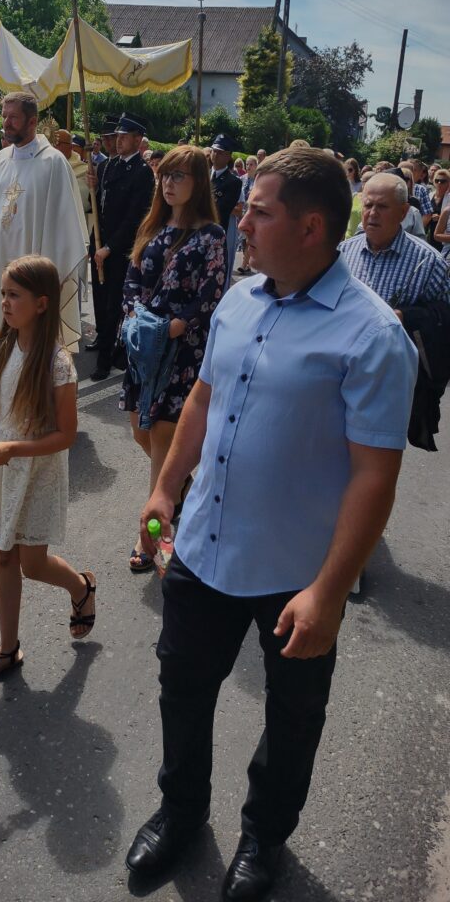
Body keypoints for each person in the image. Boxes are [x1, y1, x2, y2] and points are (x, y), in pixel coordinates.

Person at [125, 149, 418, 900]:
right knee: (182, 691)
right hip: (202, 549)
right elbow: (200, 400)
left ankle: (264, 838)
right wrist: (166, 490)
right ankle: (181, 811)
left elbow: (374, 476)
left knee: (291, 719)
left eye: (259, 210)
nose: (241, 222)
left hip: (296, 575)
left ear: (311, 227)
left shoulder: (373, 337)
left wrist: (330, 590)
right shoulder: (239, 299)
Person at [0, 255, 95, 687]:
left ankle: (80, 587)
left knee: (31, 564)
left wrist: (14, 448)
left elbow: (66, 435)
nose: (5, 303)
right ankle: (8, 647)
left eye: (14, 295)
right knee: (2, 554)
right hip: (0, 466)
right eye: (2, 294)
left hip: (37, 471)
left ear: (41, 303)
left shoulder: (57, 363)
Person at [119, 146, 226, 573]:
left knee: (162, 442)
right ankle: (183, 488)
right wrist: (130, 314)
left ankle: (151, 541)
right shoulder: (155, 227)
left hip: (182, 353)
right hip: (144, 350)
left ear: (198, 182)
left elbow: (212, 291)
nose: (168, 183)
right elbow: (131, 275)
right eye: (164, 175)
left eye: (178, 176)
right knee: (141, 434)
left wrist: (180, 324)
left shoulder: (211, 235)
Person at [0, 92, 87, 354]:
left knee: (31, 353)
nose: (6, 123)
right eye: (4, 117)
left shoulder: (54, 163)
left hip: (33, 271)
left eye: (13, 118)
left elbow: (62, 231)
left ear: (32, 122)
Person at [88, 112, 156, 381]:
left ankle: (105, 359)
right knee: (99, 299)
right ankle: (103, 341)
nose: (118, 141)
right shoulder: (107, 167)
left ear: (138, 140)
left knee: (114, 304)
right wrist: (91, 188)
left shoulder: (142, 173)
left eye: (125, 137)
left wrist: (110, 247)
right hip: (100, 243)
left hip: (121, 249)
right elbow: (98, 207)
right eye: (117, 136)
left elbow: (133, 218)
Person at [339, 174, 450, 305]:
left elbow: (444, 314)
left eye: (382, 206)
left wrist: (407, 316)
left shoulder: (429, 262)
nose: (373, 213)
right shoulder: (342, 252)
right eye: (368, 205)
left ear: (403, 212)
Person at [209, 134, 244, 283]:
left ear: (228, 156)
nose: (215, 155)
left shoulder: (233, 182)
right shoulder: (202, 175)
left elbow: (221, 209)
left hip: (215, 233)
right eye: (214, 150)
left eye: (220, 152)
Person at [236, 156, 258, 274]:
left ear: (256, 166)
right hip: (241, 213)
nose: (248, 167)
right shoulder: (241, 179)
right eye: (247, 164)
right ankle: (248, 263)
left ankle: (244, 264)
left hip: (252, 214)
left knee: (248, 238)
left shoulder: (259, 180)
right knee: (243, 241)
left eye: (251, 164)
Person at [428, 169, 450, 252]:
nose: (439, 183)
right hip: (429, 232)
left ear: (449, 183)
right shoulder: (430, 195)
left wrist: (440, 217)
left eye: (443, 181)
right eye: (437, 180)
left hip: (443, 235)